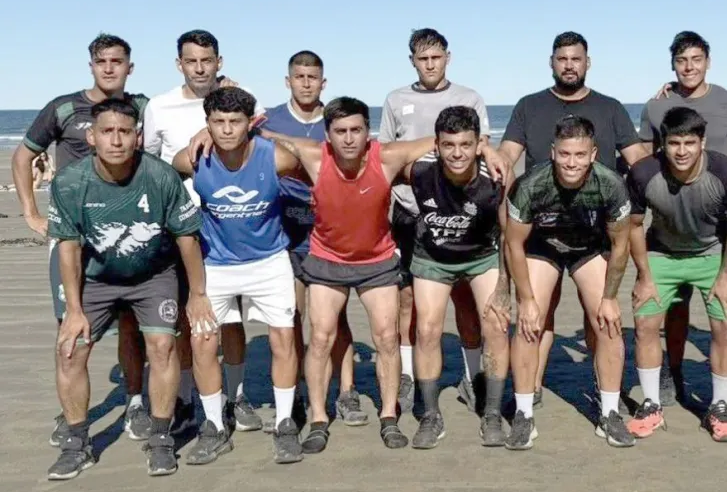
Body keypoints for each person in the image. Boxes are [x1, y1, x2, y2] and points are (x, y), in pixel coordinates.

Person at [253, 97, 507, 450]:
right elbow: (264, 136)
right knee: (321, 338)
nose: (348, 138)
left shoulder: (385, 157)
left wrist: (485, 149)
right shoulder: (312, 155)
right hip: (327, 259)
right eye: (340, 131)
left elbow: (440, 142)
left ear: (367, 134)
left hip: (377, 261)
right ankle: (318, 418)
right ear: (328, 135)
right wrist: (210, 130)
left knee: (387, 339)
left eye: (357, 130)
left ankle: (390, 416)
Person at [44, 97, 213, 480]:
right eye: (107, 132)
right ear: (92, 137)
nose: (116, 140)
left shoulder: (160, 177)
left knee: (163, 345)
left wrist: (198, 296)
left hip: (154, 275)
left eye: (124, 132)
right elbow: (68, 247)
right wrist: (73, 309)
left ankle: (160, 438)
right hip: (96, 277)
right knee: (69, 350)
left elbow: (187, 237)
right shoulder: (71, 183)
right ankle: (76, 443)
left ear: (138, 137)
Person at [11, 34, 150, 447]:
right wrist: (31, 213)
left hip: (126, 237)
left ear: (130, 66)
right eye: (101, 61)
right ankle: (74, 416)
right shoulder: (64, 108)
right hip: (73, 238)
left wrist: (226, 90)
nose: (109, 68)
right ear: (90, 65)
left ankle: (136, 402)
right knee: (70, 332)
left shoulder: (142, 108)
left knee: (131, 325)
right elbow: (22, 157)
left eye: (117, 61)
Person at [499, 31, 645, 409]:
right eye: (562, 59)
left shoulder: (610, 108)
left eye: (575, 59)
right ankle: (528, 395)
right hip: (541, 230)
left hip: (593, 232)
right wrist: (510, 197)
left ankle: (605, 392)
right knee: (536, 315)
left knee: (601, 315)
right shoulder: (529, 106)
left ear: (587, 63)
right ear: (551, 62)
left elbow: (639, 161)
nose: (569, 65)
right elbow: (506, 158)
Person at [643, 31, 727, 409]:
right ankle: (671, 371)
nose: (689, 67)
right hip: (671, 219)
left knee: (726, 305)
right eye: (682, 60)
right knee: (674, 307)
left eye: (696, 59)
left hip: (719, 223)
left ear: (708, 62)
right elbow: (640, 156)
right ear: (673, 64)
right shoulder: (656, 106)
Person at [173, 87, 308, 464]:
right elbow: (167, 175)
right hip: (214, 265)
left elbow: (313, 169)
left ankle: (284, 422)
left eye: (235, 122)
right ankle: (214, 426)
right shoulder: (192, 161)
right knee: (202, 342)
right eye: (218, 122)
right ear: (208, 124)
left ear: (250, 123)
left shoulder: (276, 158)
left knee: (284, 339)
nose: (227, 129)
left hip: (269, 262)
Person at [143, 29, 254, 435]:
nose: (200, 68)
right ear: (180, 65)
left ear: (219, 62)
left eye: (207, 60)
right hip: (178, 230)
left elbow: (251, 142)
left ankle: (237, 397)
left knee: (231, 319)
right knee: (190, 319)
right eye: (192, 61)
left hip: (229, 225)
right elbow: (151, 165)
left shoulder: (237, 99)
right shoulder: (160, 106)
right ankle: (190, 397)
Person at [503, 115, 634, 450]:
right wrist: (526, 298)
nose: (571, 163)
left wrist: (610, 297)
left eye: (579, 155)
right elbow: (514, 243)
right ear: (553, 152)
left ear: (592, 154)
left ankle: (609, 413)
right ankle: (522, 413)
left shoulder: (611, 184)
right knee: (529, 323)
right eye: (564, 154)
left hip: (588, 249)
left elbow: (620, 245)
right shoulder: (531, 185)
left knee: (607, 323)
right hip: (541, 248)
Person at [380, 28, 491, 414]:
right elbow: (387, 156)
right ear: (412, 60)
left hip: (457, 211)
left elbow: (482, 148)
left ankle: (473, 373)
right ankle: (410, 374)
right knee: (409, 300)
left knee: (464, 297)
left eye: (436, 57)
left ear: (448, 57)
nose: (430, 64)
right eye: (422, 58)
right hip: (409, 210)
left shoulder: (469, 98)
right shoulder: (397, 99)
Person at [626, 107, 727, 442]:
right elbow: (634, 227)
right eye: (674, 143)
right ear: (662, 144)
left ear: (703, 142)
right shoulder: (642, 173)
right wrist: (644, 276)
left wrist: (726, 276)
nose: (682, 151)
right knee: (645, 322)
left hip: (712, 254)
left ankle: (719, 406)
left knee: (726, 325)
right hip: (661, 254)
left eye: (689, 143)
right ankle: (651, 403)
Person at [261, 51, 366, 430]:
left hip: (332, 226)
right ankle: (307, 390)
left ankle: (348, 390)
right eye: (299, 76)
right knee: (295, 316)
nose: (306, 82)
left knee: (336, 316)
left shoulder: (335, 119)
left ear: (324, 82)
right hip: (285, 227)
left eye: (313, 77)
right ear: (288, 80)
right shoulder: (268, 118)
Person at [402, 106, 512, 449]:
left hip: (482, 256)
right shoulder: (418, 172)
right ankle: (431, 413)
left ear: (479, 143)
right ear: (436, 144)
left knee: (495, 323)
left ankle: (491, 410)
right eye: (448, 145)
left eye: (466, 144)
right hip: (433, 257)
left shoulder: (494, 178)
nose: (457, 153)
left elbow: (509, 232)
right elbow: (380, 160)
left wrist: (505, 285)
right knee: (427, 328)